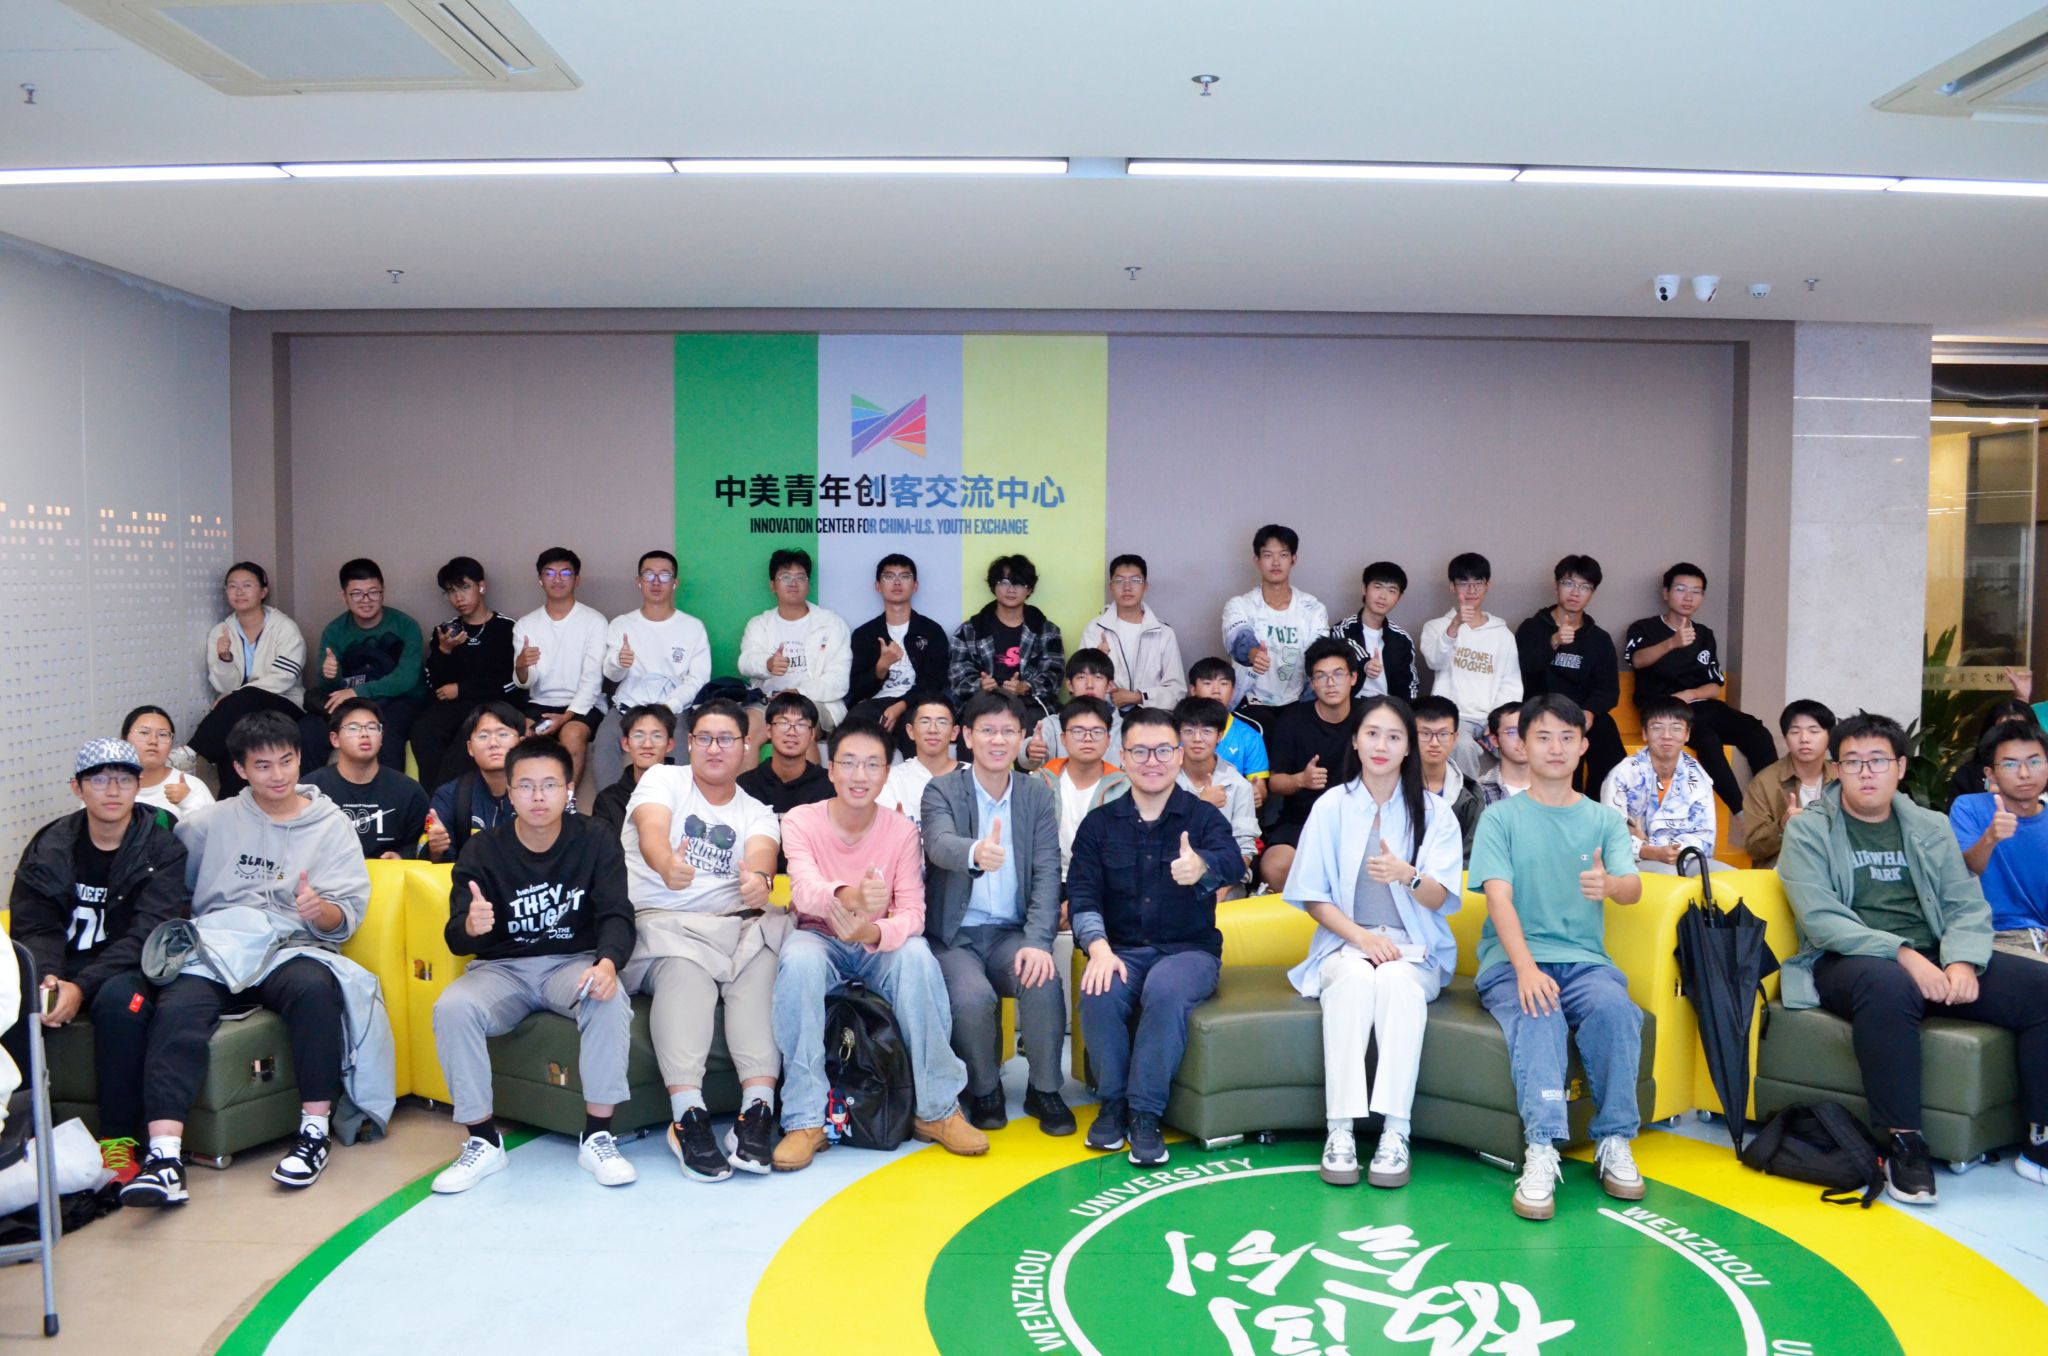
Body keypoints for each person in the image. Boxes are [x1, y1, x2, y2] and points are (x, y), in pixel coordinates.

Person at [1778, 712, 2048, 1200]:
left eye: (1878, 760)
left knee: (2040, 989)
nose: (1866, 772)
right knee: (1889, 985)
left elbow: (1966, 903)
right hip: (1844, 958)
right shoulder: (1809, 830)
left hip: (1934, 954)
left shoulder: (1930, 826)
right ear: (1836, 769)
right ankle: (1905, 1142)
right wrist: (1902, 953)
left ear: (1901, 767)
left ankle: (2040, 1136)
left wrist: (1962, 960)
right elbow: (1821, 918)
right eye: (1852, 762)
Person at [122, 711, 375, 1207]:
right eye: (262, 765)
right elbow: (175, 888)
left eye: (286, 761)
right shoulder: (207, 824)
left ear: (300, 759)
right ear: (239, 769)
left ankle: (314, 1131)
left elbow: (344, 917)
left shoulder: (333, 826)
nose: (277, 775)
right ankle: (165, 1157)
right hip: (220, 946)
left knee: (315, 990)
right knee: (177, 1004)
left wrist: (318, 910)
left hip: (291, 945)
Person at [772, 719, 987, 1170]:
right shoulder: (801, 820)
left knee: (917, 956)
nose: (859, 775)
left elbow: (912, 913)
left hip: (877, 941)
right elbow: (803, 890)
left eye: (872, 765)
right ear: (831, 769)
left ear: (886, 774)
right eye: (849, 763)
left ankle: (938, 1110)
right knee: (798, 959)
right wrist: (850, 897)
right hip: (820, 935)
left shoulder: (902, 831)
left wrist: (871, 932)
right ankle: (805, 1119)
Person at [429, 736, 638, 1194]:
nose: (538, 796)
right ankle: (483, 1141)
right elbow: (455, 937)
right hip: (501, 970)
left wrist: (608, 964)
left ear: (569, 789)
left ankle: (597, 1136)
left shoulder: (595, 838)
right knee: (453, 1007)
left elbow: (617, 914)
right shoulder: (483, 850)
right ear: (509, 792)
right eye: (525, 786)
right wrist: (471, 927)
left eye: (549, 785)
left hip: (571, 963)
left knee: (607, 997)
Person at [1468, 693, 1646, 1221]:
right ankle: (1542, 1148)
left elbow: (1633, 888)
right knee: (1539, 1010)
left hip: (1585, 961)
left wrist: (1610, 886)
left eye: (1567, 737)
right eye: (1543, 736)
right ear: (1522, 745)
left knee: (1616, 1010)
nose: (1555, 747)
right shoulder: (1500, 818)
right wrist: (1525, 969)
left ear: (1583, 746)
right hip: (1512, 961)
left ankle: (1615, 1139)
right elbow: (1498, 898)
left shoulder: (1604, 820)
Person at [1282, 697, 1463, 1189]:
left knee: (1399, 984)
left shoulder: (1435, 812)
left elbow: (1441, 897)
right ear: (1356, 741)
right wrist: (1363, 939)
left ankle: (1395, 1131)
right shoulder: (1331, 806)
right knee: (1355, 980)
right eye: (1372, 734)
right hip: (1346, 943)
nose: (1382, 745)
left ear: (1408, 748)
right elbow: (1312, 896)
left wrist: (1408, 875)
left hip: (1414, 950)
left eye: (1394, 736)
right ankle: (1339, 1130)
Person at [10, 739, 189, 1176]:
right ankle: (22, 1138)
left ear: (138, 787)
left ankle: (118, 1143)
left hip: (128, 964)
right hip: (60, 962)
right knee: (15, 1000)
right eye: (100, 780)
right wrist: (49, 978)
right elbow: (35, 924)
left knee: (120, 1006)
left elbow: (149, 933)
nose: (113, 790)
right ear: (78, 788)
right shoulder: (51, 843)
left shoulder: (162, 847)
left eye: (124, 780)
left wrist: (82, 986)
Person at [621, 700, 783, 1181]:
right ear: (689, 744)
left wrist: (758, 881)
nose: (715, 748)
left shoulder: (758, 811)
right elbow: (652, 831)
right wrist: (665, 864)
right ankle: (687, 1116)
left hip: (732, 925)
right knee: (685, 973)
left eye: (726, 739)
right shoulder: (663, 780)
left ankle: (757, 1111)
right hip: (664, 922)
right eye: (705, 738)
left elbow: (762, 856)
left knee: (764, 962)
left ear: (746, 747)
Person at [1071, 707, 1240, 1166]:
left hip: (1189, 952)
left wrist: (1202, 866)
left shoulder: (1202, 817)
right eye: (1140, 751)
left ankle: (1145, 1114)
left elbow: (1233, 861)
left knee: (1165, 989)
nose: (1152, 761)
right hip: (1121, 949)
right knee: (1100, 990)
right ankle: (1113, 1103)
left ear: (1179, 755)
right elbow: (1083, 894)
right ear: (1123, 757)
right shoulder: (1099, 824)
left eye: (1163, 750)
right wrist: (1099, 949)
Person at [920, 693, 1072, 1134]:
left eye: (1008, 731)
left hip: (1011, 933)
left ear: (1022, 737)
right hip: (955, 936)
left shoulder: (1036, 793)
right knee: (972, 998)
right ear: (967, 737)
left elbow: (1047, 872)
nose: (998, 740)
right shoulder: (941, 789)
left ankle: (1045, 1089)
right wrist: (975, 853)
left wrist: (1038, 942)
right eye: (987, 730)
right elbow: (938, 843)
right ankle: (984, 1089)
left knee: (1042, 978)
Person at [1623, 563, 1779, 813]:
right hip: (1663, 710)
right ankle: (1741, 813)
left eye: (1696, 591)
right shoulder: (1644, 628)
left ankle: (1773, 809)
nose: (1688, 597)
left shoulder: (1704, 634)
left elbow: (1715, 686)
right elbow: (1637, 660)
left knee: (1756, 731)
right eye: (1681, 589)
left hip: (1701, 704)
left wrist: (1689, 695)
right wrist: (1671, 643)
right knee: (1707, 739)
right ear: (1666, 593)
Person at [193, 561, 314, 795]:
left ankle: (192, 752)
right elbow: (223, 686)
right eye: (232, 586)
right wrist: (225, 658)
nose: (239, 592)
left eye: (247, 585)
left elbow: (284, 677)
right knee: (235, 731)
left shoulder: (284, 627)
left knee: (244, 699)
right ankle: (230, 801)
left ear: (263, 591)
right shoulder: (221, 632)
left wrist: (237, 695)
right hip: (238, 709)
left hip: (285, 702)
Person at [594, 550, 711, 790]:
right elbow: (611, 674)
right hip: (627, 707)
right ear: (639, 581)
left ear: (675, 583)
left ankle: (674, 807)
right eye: (649, 575)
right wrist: (619, 662)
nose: (656, 582)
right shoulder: (622, 624)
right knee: (604, 743)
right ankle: (610, 807)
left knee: (680, 748)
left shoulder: (692, 627)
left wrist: (669, 706)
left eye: (664, 575)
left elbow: (698, 679)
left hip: (673, 710)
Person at [301, 558, 431, 774]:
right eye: (357, 594)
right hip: (352, 702)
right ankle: (309, 793)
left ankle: (389, 795)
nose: (366, 600)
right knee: (308, 729)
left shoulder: (406, 625)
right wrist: (331, 675)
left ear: (383, 592)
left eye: (373, 592)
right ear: (344, 596)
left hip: (400, 700)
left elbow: (406, 679)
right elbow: (328, 688)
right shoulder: (335, 630)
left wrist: (357, 692)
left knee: (385, 730)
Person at [1515, 555, 1625, 793]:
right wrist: (1553, 642)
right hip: (1540, 710)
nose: (1575, 592)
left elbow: (1608, 690)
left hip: (1581, 712)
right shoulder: (1531, 628)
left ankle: (1599, 806)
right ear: (1556, 586)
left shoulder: (1599, 639)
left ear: (1592, 593)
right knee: (1563, 741)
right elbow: (1522, 669)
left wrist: (1590, 711)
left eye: (1585, 587)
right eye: (1568, 583)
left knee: (1607, 738)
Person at [1259, 640, 1362, 891]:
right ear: (1312, 683)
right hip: (1303, 818)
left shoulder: (1370, 716)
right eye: (1321, 676)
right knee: (1274, 866)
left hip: (1360, 818)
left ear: (1353, 678)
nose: (1330, 682)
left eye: (1338, 674)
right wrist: (1301, 780)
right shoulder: (1292, 721)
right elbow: (1275, 783)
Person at [409, 556, 516, 790]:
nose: (458, 597)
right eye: (451, 591)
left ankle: (442, 801)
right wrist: (445, 650)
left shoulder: (506, 628)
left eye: (464, 587)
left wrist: (462, 689)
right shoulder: (445, 630)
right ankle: (434, 799)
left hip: (492, 705)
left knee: (466, 738)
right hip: (451, 706)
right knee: (423, 730)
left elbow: (511, 682)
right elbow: (434, 682)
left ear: (481, 587)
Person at [1951, 719, 2048, 962]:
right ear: (1990, 774)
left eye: (2035, 762)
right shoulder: (1969, 808)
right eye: (2010, 764)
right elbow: (1965, 870)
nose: (2024, 773)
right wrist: (1990, 837)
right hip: (1992, 937)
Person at [1418, 552, 1522, 780]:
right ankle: (1469, 800)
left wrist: (1498, 720)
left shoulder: (1502, 634)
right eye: (1464, 583)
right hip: (1454, 717)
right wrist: (1454, 627)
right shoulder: (1436, 627)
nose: (1471, 590)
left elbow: (1510, 684)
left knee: (1524, 746)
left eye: (1478, 583)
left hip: (1490, 717)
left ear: (1487, 586)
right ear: (1452, 587)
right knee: (1463, 746)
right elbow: (1434, 660)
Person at [510, 547, 607, 788]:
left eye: (565, 573)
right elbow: (527, 680)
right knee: (520, 736)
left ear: (577, 580)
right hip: (541, 702)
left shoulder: (594, 621)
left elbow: (592, 679)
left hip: (584, 705)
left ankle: (567, 802)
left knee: (571, 735)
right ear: (540, 579)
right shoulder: (526, 625)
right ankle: (527, 801)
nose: (557, 579)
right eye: (550, 573)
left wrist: (566, 717)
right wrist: (521, 666)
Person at [1600, 697, 1724, 875]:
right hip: (1633, 858)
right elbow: (1610, 836)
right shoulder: (1622, 775)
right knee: (1671, 877)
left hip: (1685, 857)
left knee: (1726, 876)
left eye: (1676, 728)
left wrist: (1665, 850)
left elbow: (1705, 836)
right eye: (1657, 727)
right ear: (1644, 733)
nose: (1667, 735)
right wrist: (1648, 851)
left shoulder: (1697, 777)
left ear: (1687, 735)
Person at [738, 548, 853, 732]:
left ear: (808, 584)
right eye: (785, 577)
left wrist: (799, 692)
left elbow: (838, 680)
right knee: (749, 730)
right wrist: (767, 663)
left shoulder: (831, 623)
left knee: (798, 726)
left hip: (815, 701)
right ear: (772, 585)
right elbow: (745, 663)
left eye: (800, 577)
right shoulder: (759, 624)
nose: (793, 583)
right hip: (768, 700)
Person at [1222, 524, 1327, 714]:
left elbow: (1319, 656)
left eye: (1283, 555)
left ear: (1293, 560)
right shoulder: (1239, 605)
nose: (1276, 562)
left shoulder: (1313, 609)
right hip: (1251, 702)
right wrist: (1253, 653)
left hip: (1300, 703)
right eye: (1268, 555)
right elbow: (1238, 638)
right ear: (1257, 560)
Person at [305, 698, 430, 859]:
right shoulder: (311, 790)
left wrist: (401, 857)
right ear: (335, 739)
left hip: (389, 874)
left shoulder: (409, 792)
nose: (364, 734)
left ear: (381, 736)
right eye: (353, 728)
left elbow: (422, 845)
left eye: (372, 727)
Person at [845, 554, 951, 744]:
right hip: (875, 704)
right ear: (878, 586)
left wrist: (901, 705)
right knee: (853, 730)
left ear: (915, 585)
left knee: (919, 729)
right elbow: (856, 689)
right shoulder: (865, 634)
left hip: (918, 704)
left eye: (904, 576)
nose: (897, 582)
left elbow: (935, 683)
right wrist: (881, 668)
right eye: (889, 576)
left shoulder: (931, 631)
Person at [949, 554, 1066, 723]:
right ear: (993, 586)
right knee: (975, 721)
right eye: (1004, 582)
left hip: (1030, 706)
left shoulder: (1047, 630)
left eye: (1019, 583)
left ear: (1029, 590)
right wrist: (980, 685)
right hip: (983, 704)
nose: (1011, 589)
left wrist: (1026, 687)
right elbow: (957, 676)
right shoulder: (970, 630)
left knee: (1036, 723)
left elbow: (1054, 675)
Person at [1032, 697, 1131, 882]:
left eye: (1097, 732)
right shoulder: (1040, 782)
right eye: (1078, 731)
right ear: (1063, 738)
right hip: (1045, 880)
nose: (1087, 738)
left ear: (1108, 740)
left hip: (1100, 884)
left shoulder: (1125, 788)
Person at [1079, 554, 1187, 711]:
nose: (1127, 587)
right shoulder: (1095, 629)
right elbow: (1081, 685)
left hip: (1152, 717)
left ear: (1145, 586)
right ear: (1111, 587)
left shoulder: (1163, 633)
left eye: (1135, 580)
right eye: (1119, 580)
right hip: (1105, 715)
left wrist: (1138, 697)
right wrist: (1098, 659)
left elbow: (1177, 691)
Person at [425, 702, 528, 863]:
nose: (493, 743)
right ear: (470, 748)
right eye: (483, 736)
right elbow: (435, 861)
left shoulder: (541, 793)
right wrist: (435, 850)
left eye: (503, 734)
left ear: (521, 743)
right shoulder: (449, 795)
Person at [1174, 696, 1260, 887]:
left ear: (1220, 736)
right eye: (1188, 731)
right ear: (1178, 735)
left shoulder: (1238, 785)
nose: (1197, 739)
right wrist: (1202, 805)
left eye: (1207, 731)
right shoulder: (1165, 779)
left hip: (1225, 881)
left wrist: (1221, 890)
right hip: (1172, 876)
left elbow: (1244, 850)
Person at [1742, 700, 1838, 870]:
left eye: (1814, 731)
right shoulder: (1764, 782)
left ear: (1829, 736)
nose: (1804, 739)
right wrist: (1782, 826)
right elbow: (1753, 848)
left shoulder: (1841, 777)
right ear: (1786, 738)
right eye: (1795, 732)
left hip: (1833, 869)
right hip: (1782, 871)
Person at [738, 692, 835, 821]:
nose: (791, 732)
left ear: (812, 734)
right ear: (768, 730)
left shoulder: (829, 787)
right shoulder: (746, 785)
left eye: (801, 725)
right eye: (783, 723)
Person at [1021, 648, 1123, 770]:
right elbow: (1032, 760)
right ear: (1070, 685)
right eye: (1081, 677)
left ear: (1109, 685)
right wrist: (1030, 750)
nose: (1089, 685)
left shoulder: (1124, 728)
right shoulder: (1052, 724)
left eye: (1098, 677)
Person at [1332, 561, 1419, 702]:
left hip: (1388, 707)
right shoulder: (1343, 629)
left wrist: (1405, 710)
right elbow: (1349, 649)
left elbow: (1409, 683)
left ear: (1399, 597)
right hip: (1350, 706)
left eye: (1392, 591)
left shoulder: (1402, 639)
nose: (1383, 596)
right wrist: (1365, 664)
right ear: (1364, 589)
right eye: (1378, 587)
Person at [875, 694, 963, 830]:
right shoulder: (891, 779)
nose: (933, 729)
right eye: (924, 722)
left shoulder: (972, 776)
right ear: (910, 731)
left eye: (942, 722)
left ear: (954, 732)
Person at [1189, 658, 1269, 807]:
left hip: (1235, 811)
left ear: (1233, 691)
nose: (1216, 691)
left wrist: (1258, 793)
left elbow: (1259, 785)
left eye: (1224, 683)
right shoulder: (1177, 731)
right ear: (1193, 690)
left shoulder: (1249, 735)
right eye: (1207, 683)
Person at [590, 704, 676, 838]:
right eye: (638, 736)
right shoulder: (609, 800)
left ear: (670, 744)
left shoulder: (686, 790)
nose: (647, 744)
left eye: (657, 736)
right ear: (625, 744)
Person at [1413, 695, 1483, 854]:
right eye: (1425, 734)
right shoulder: (1391, 786)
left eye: (1443, 734)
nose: (1434, 743)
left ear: (1455, 738)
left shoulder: (1470, 794)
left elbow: (1470, 854)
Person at [123, 706, 214, 822]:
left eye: (163, 734)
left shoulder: (193, 786)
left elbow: (213, 830)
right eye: (144, 732)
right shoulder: (111, 787)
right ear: (124, 739)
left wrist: (188, 801)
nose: (153, 741)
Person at [1476, 701, 1532, 805]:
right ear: (1494, 740)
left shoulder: (1555, 785)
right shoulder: (1478, 791)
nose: (1523, 738)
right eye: (1512, 732)